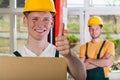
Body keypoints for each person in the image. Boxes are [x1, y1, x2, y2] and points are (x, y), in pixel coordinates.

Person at [13, 0, 86, 80]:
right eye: (35, 19)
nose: (40, 24)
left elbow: (82, 77)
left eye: (46, 19)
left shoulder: (62, 56)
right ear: (25, 21)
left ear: (52, 23)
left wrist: (69, 55)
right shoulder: (13, 59)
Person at [79, 16, 115, 80]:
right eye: (91, 29)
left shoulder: (109, 45)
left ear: (101, 29)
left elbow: (107, 63)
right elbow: (81, 67)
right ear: (89, 30)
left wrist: (89, 60)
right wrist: (101, 61)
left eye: (97, 28)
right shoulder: (83, 47)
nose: (94, 31)